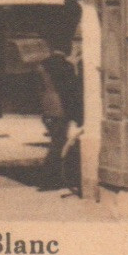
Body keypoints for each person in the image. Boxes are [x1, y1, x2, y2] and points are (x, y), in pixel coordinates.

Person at [37, 49, 83, 192]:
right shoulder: (64, 66)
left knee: (56, 143)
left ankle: (51, 179)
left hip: (46, 108)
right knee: (58, 145)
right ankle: (49, 180)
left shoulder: (42, 66)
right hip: (59, 110)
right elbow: (70, 89)